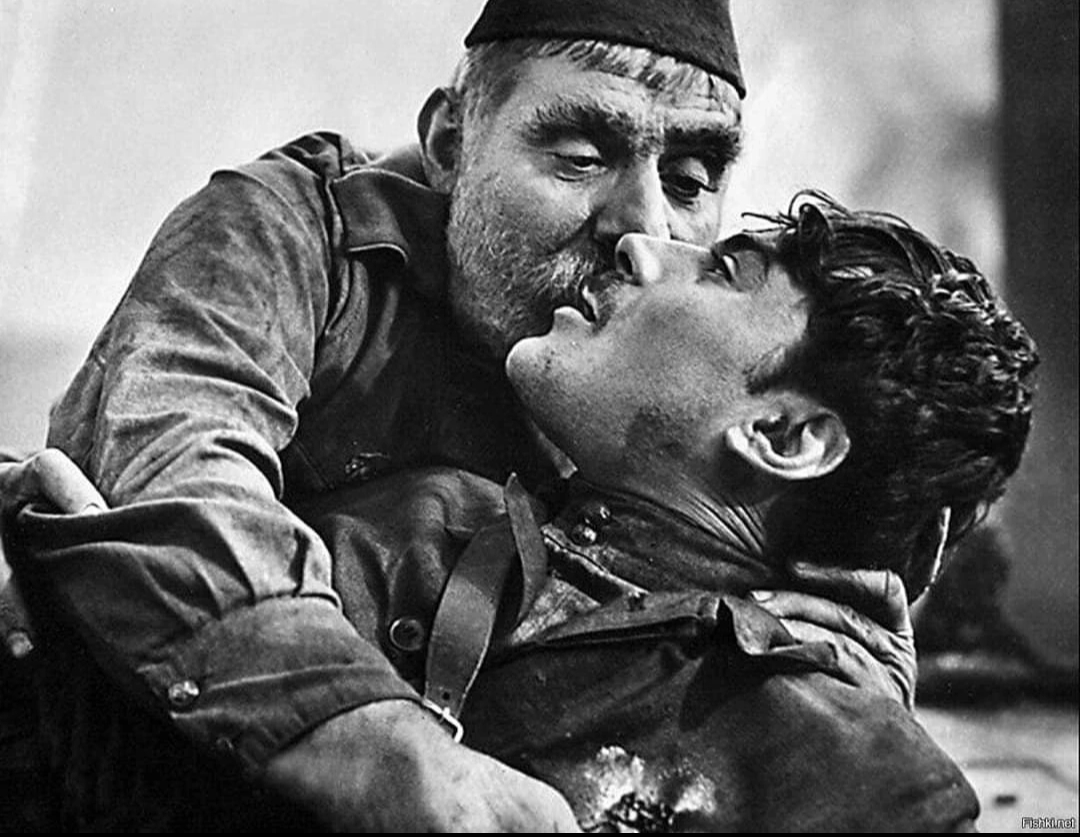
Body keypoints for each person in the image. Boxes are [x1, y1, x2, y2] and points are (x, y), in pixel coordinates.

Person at [0, 2, 924, 831]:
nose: (645, 226)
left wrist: (828, 702)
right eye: (581, 157)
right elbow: (175, 478)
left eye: (689, 178)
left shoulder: (684, 372)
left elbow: (789, 615)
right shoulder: (285, 232)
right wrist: (376, 743)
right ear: (450, 143)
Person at [281, 192, 1034, 830]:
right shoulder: (401, 532)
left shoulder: (858, 778)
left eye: (721, 272)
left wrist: (863, 756)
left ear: (782, 435)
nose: (639, 245)